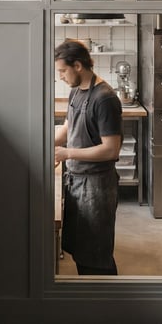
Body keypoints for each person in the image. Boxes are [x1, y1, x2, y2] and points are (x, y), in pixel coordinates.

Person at [54, 39, 123, 275]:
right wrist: (44, 145)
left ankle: (106, 297)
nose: (60, 77)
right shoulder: (76, 92)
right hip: (77, 181)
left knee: (96, 256)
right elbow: (67, 129)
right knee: (81, 251)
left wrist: (67, 153)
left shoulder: (104, 98)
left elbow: (111, 149)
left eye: (63, 71)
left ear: (78, 66)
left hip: (97, 187)